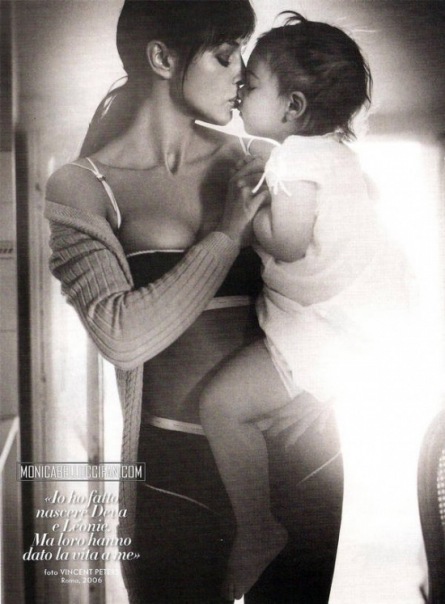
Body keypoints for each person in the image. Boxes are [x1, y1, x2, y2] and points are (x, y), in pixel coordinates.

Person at [45, 2, 343, 603]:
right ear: (161, 58)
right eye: (226, 55)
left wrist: (329, 378)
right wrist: (227, 233)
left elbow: (342, 282)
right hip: (175, 477)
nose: (243, 73)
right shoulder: (83, 187)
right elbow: (123, 336)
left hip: (300, 456)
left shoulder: (262, 159)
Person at [199, 12, 413, 601]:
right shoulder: (338, 157)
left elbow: (289, 244)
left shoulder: (294, 157)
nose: (240, 92)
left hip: (318, 332)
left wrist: (245, 216)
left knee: (221, 407)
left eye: (252, 85)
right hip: (348, 328)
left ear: (292, 107)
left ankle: (257, 528)